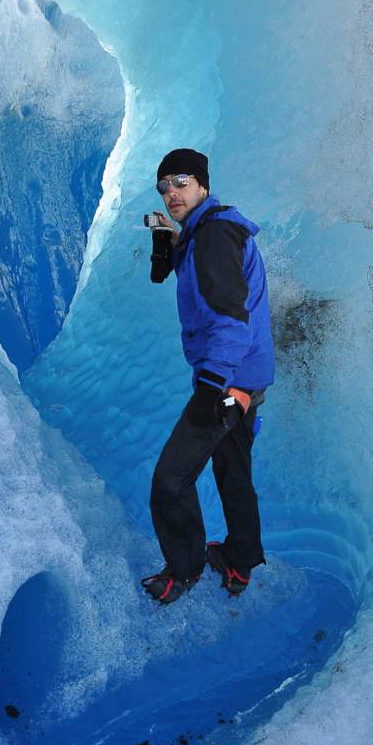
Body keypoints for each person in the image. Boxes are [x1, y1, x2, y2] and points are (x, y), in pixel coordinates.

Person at [141, 149, 275, 604]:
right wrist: (172, 247)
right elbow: (209, 282)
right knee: (233, 472)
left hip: (229, 381)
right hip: (249, 380)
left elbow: (230, 318)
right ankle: (239, 560)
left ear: (202, 184)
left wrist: (211, 385)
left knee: (170, 480)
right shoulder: (209, 230)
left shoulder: (215, 235)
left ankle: (184, 570)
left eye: (180, 181)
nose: (171, 192)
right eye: (164, 186)